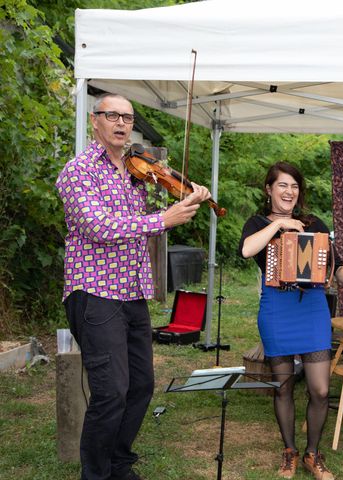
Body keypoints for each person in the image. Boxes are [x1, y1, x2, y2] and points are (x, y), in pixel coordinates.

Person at [56, 93, 211, 480]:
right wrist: (162, 219)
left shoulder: (133, 169)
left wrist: (192, 195)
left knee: (140, 385)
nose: (122, 123)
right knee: (110, 391)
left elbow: (171, 197)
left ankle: (118, 465)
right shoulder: (78, 171)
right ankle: (95, 474)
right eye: (113, 116)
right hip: (94, 293)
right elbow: (99, 226)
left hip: (130, 292)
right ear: (96, 121)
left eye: (128, 117)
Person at [239, 162, 343, 480]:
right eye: (282, 185)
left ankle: (312, 454)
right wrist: (281, 226)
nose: (289, 192)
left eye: (294, 187)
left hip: (311, 308)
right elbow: (247, 250)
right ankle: (289, 452)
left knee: (320, 390)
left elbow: (338, 263)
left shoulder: (314, 223)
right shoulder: (257, 223)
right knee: (282, 388)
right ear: (269, 190)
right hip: (276, 310)